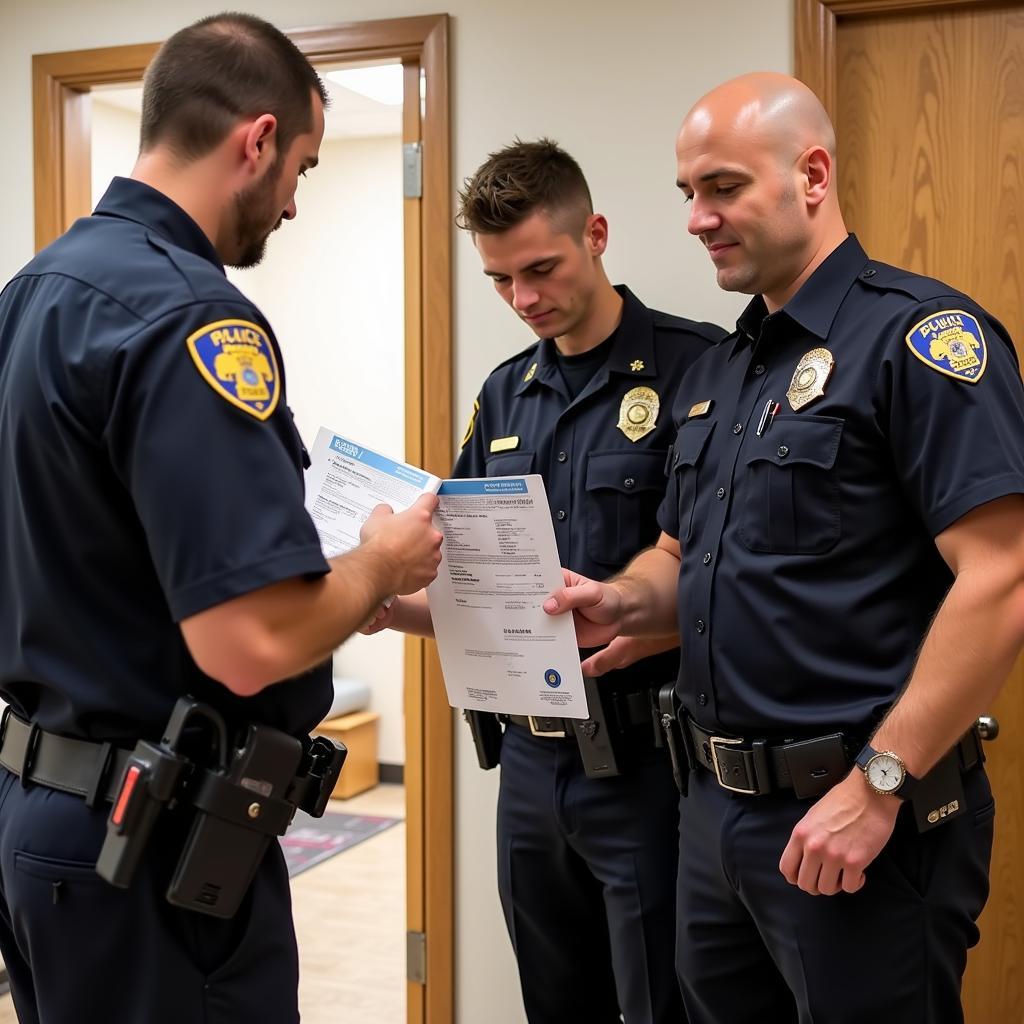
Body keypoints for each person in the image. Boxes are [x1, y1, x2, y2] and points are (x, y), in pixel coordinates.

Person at [543, 72, 1024, 1023]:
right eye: (688, 193)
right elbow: (683, 552)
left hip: (853, 815)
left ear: (811, 176)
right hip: (714, 815)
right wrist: (625, 600)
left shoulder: (920, 337)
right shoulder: (729, 365)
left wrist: (881, 783)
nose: (696, 218)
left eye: (722, 187)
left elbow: (1002, 576)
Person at [0, 13, 442, 1024]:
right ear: (255, 140)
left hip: (45, 815)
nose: (293, 200)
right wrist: (376, 565)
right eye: (302, 167)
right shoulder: (193, 316)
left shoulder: (33, 294)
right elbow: (247, 645)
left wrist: (325, 586)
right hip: (148, 845)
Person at [365, 138, 724, 1022]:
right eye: (499, 279)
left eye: (540, 269)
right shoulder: (502, 393)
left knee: (660, 1002)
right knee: (553, 1000)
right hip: (529, 764)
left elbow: (723, 573)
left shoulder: (698, 369)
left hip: (648, 763)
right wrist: (381, 603)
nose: (522, 299)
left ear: (595, 235)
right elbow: (473, 591)